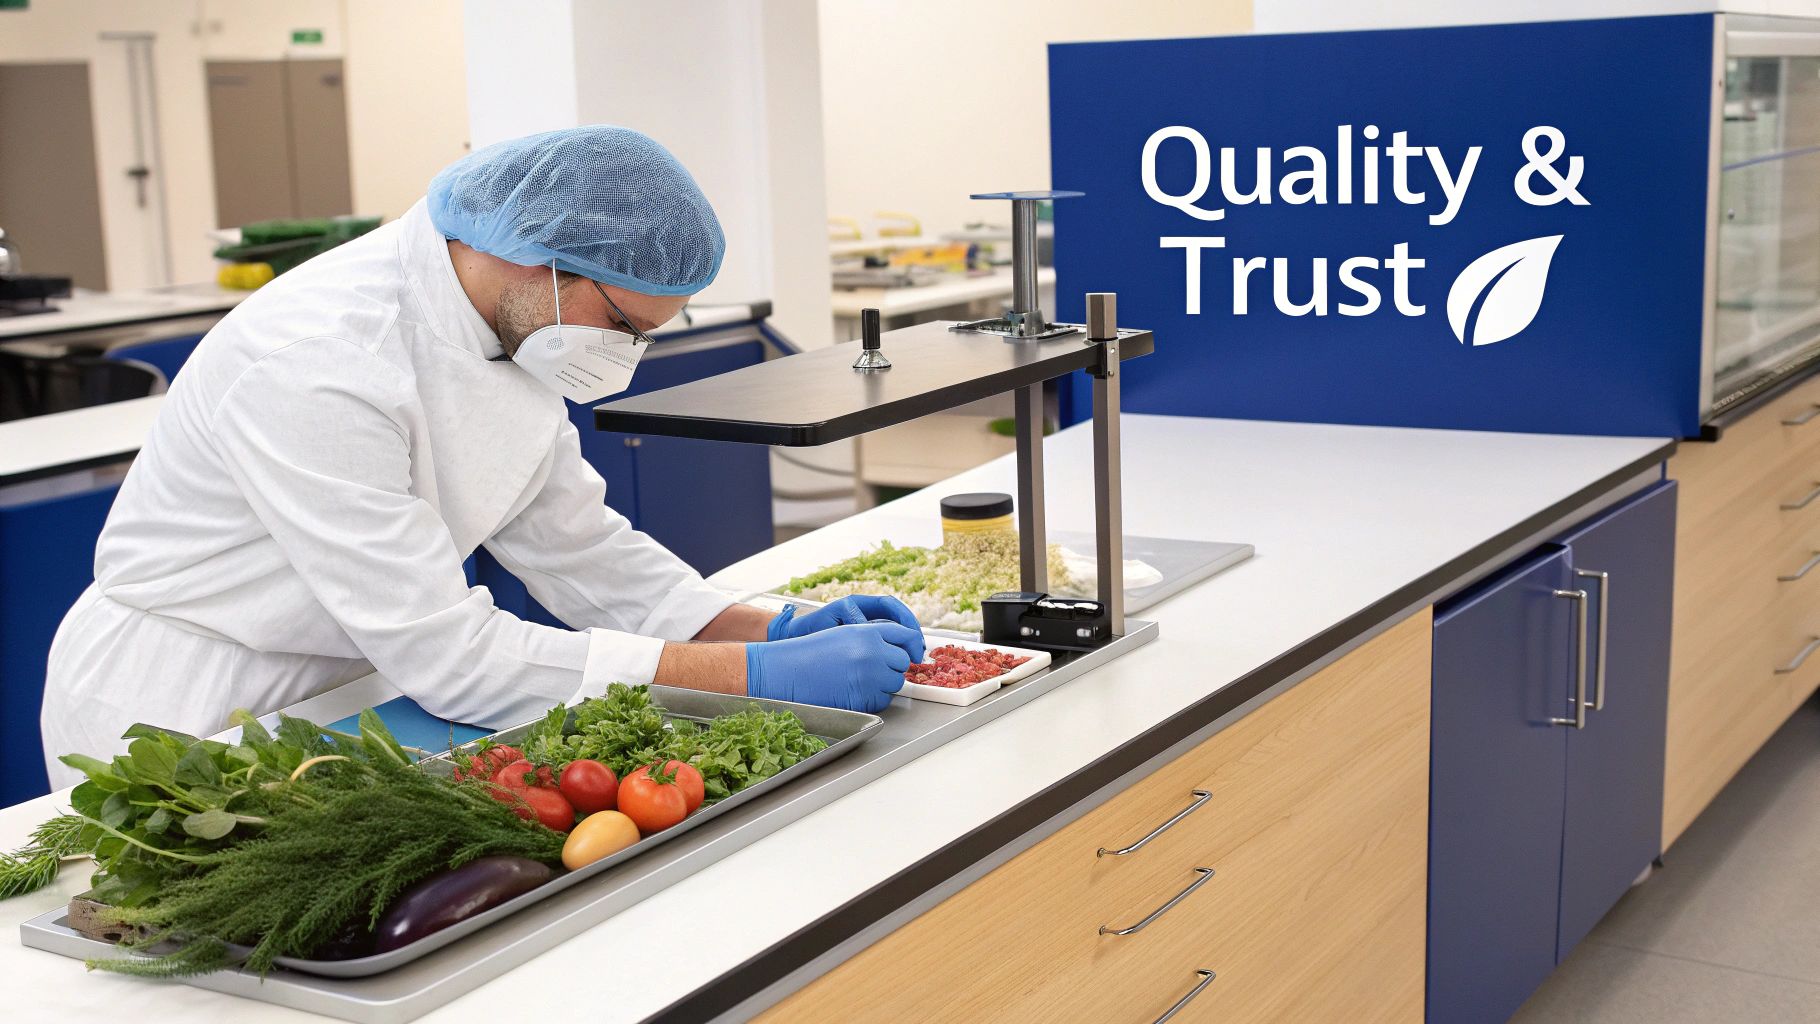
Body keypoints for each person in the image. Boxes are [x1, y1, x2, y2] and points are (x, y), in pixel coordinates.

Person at [39, 126, 920, 784]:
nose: (625, 357)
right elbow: (451, 654)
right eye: (623, 324)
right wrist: (745, 677)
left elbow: (578, 544)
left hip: (353, 682)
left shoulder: (517, 325)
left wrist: (755, 625)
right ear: (535, 256)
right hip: (184, 705)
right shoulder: (324, 362)